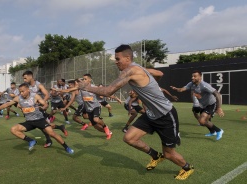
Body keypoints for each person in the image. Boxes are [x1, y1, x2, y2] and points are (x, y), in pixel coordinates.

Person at [78, 44, 194, 180]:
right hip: (151, 114)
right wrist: (150, 85)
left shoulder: (130, 70)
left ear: (127, 58)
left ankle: (187, 167)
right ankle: (156, 156)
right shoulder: (139, 68)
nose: (116, 62)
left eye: (117, 59)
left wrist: (87, 87)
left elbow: (108, 91)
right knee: (129, 138)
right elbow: (160, 73)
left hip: (166, 115)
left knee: (169, 154)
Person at [0, 83, 74, 154]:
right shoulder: (18, 98)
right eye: (20, 91)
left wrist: (43, 107)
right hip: (29, 122)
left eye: (23, 91)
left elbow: (45, 104)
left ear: (28, 90)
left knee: (52, 134)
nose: (21, 93)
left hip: (39, 120)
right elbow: (6, 105)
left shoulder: (34, 96)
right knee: (13, 129)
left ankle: (67, 147)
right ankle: (31, 141)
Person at [170, 70, 224, 140]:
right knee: (204, 121)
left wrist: (219, 108)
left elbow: (217, 94)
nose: (192, 78)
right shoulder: (191, 84)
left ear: (200, 77)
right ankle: (212, 131)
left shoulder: (204, 85)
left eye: (195, 76)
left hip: (211, 104)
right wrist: (176, 88)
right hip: (203, 105)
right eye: (192, 76)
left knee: (202, 120)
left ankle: (219, 131)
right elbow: (182, 89)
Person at [79, 74, 113, 139]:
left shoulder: (94, 88)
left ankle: (105, 127)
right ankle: (109, 132)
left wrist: (116, 98)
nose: (84, 80)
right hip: (88, 109)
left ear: (90, 80)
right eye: (83, 79)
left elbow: (104, 93)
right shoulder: (81, 88)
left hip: (96, 106)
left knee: (96, 119)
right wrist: (62, 91)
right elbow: (72, 89)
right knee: (96, 126)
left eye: (85, 79)